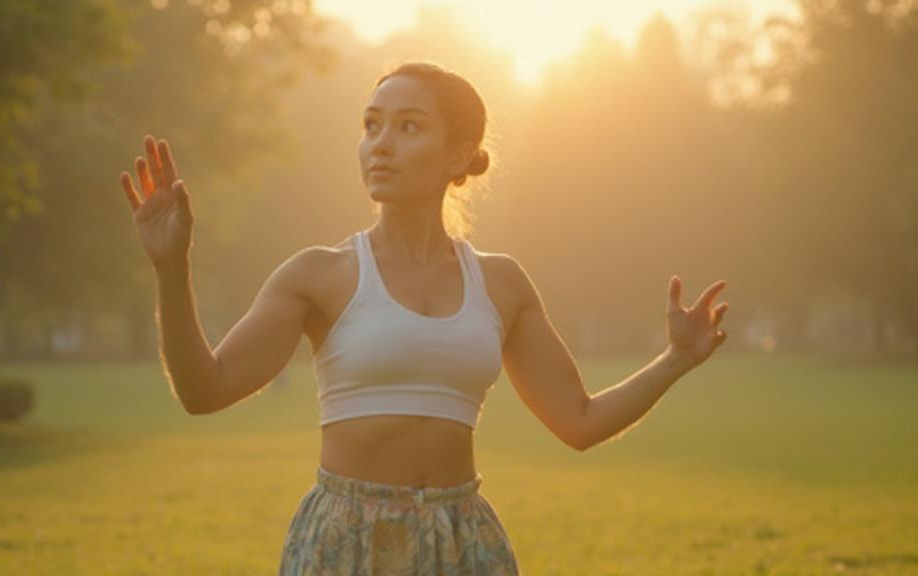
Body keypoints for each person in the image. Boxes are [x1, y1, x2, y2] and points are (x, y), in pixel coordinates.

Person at [119, 60, 730, 575]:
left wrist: (675, 361)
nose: (380, 142)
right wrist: (172, 270)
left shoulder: (502, 283)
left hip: (463, 541)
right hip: (345, 541)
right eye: (371, 125)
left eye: (408, 126)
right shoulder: (318, 275)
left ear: (458, 153)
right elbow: (204, 390)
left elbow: (580, 421)